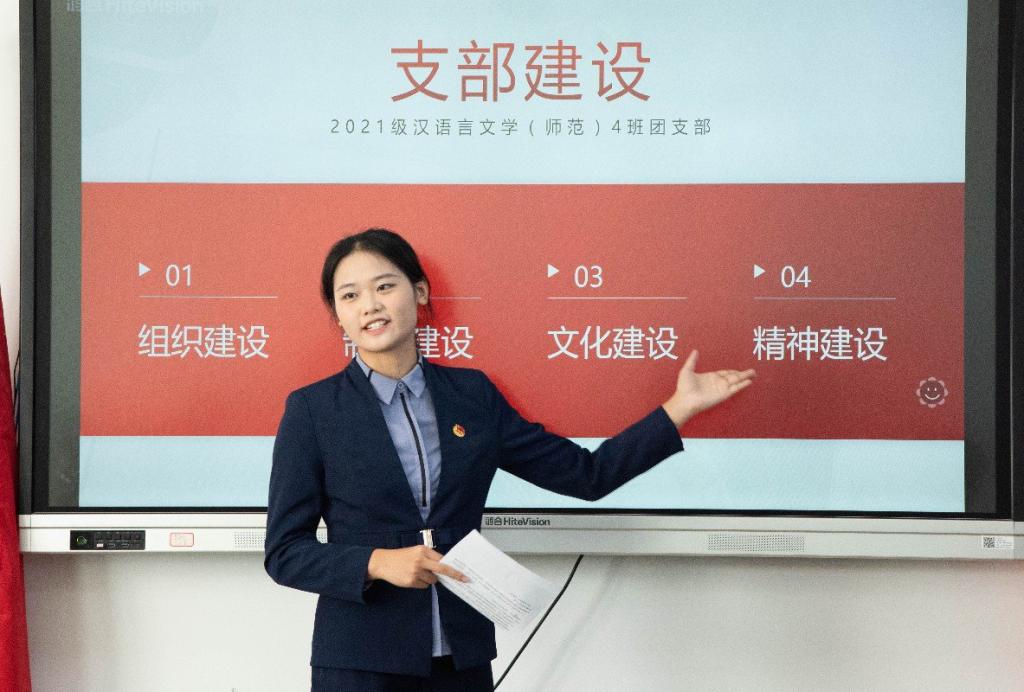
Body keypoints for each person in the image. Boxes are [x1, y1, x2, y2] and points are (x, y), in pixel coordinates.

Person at [264, 228, 756, 691]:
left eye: (384, 286)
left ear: (420, 291)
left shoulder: (471, 395)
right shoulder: (313, 411)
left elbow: (587, 476)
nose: (370, 305)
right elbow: (284, 552)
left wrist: (679, 408)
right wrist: (377, 562)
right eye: (350, 295)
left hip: (462, 655)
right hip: (361, 660)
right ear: (339, 316)